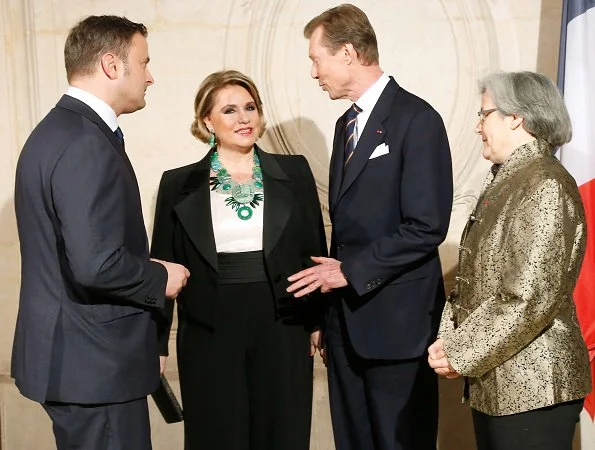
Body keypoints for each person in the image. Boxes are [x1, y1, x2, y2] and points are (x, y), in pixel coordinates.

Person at [11, 15, 189, 450]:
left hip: (80, 361)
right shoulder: (85, 142)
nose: (151, 76)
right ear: (112, 65)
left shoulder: (57, 131)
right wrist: (161, 279)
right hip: (96, 366)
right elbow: (95, 264)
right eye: (143, 62)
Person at [287, 4, 453, 450]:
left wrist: (349, 271)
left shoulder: (418, 120)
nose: (313, 72)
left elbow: (426, 226)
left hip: (397, 328)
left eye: (315, 58)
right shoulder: (346, 124)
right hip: (345, 328)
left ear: (346, 53)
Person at [150, 69, 327, 450]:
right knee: (218, 434)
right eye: (229, 110)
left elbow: (314, 252)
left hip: (284, 320)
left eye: (250, 107)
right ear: (206, 121)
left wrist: (318, 320)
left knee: (281, 431)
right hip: (208, 328)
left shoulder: (295, 171)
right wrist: (157, 343)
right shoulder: (176, 183)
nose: (244, 118)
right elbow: (161, 267)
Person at [428, 71, 591, 450]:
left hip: (535, 387)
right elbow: (476, 280)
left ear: (516, 117)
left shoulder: (544, 183)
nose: (477, 126)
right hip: (500, 380)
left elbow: (528, 296)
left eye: (484, 114)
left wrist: (460, 352)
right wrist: (449, 340)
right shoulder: (511, 178)